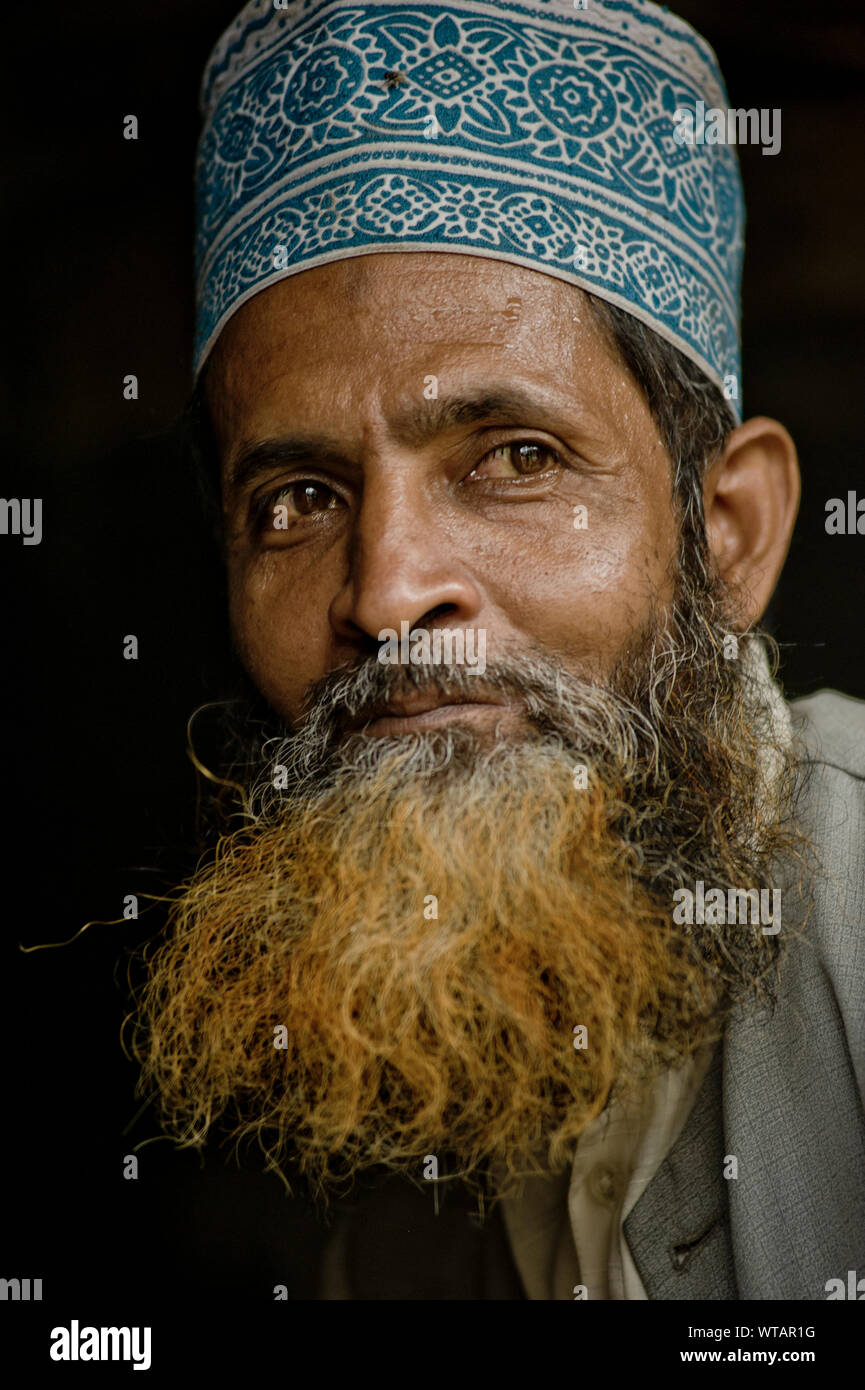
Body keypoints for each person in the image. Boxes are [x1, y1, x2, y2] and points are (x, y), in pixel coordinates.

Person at [131, 0, 865, 1299]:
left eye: (516, 458)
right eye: (295, 497)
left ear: (729, 532)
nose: (387, 590)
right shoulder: (394, 1130)